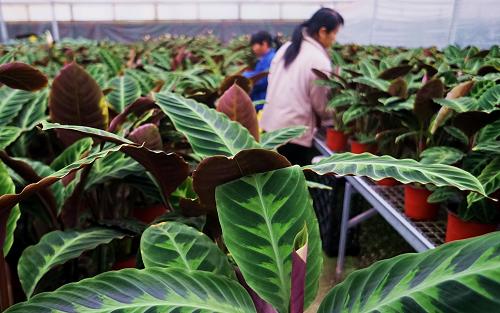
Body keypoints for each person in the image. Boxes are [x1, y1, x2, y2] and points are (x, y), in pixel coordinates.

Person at [260, 8, 344, 166]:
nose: (334, 39)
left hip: (271, 128)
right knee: (287, 185)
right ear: (323, 32)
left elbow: (271, 79)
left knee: (270, 180)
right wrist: (339, 117)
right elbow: (322, 105)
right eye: (335, 33)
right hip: (293, 136)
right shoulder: (318, 59)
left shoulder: (287, 48)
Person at [242, 31, 277, 110]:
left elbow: (264, 79)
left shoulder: (272, 59)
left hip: (264, 101)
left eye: (254, 45)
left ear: (264, 43)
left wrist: (246, 77)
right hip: (258, 99)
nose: (253, 48)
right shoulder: (264, 58)